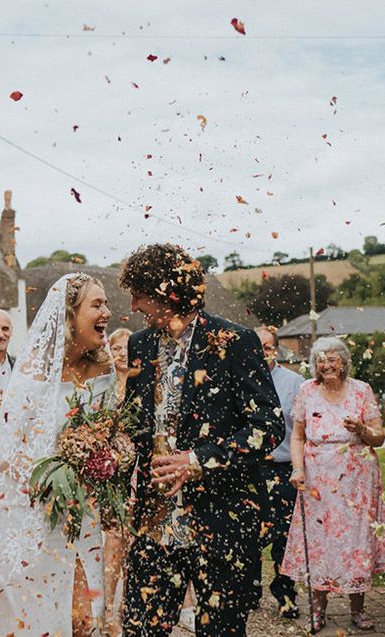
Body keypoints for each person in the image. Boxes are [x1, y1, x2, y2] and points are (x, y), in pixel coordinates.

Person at [119, 243, 283, 637]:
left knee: (222, 631)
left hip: (221, 516)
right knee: (140, 628)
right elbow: (136, 422)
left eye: (140, 295)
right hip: (154, 520)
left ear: (166, 293)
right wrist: (121, 446)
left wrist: (199, 460)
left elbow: (268, 425)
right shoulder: (139, 344)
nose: (134, 305)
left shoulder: (235, 341)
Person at [0, 273, 116, 637]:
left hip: (86, 511)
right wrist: (52, 479)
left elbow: (109, 430)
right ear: (70, 314)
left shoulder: (105, 367)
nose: (107, 312)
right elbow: (5, 453)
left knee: (84, 617)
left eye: (106, 303)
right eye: (97, 305)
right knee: (38, 614)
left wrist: (108, 455)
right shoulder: (33, 373)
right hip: (35, 513)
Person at [281, 337, 385, 633]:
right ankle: (317, 612)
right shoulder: (306, 391)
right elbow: (298, 436)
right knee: (319, 541)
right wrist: (298, 468)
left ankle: (358, 610)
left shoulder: (362, 390)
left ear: (344, 362)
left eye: (332, 359)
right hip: (318, 480)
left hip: (357, 480)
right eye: (320, 360)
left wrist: (362, 428)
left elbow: (379, 437)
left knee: (356, 540)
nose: (326, 365)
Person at [255, 326, 303, 619]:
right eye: (255, 347)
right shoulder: (239, 380)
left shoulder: (295, 383)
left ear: (275, 349)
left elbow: (301, 430)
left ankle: (285, 594)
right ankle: (250, 589)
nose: (261, 353)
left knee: (284, 536)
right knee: (252, 532)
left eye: (265, 347)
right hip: (251, 470)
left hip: (284, 468)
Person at [108, 327, 132, 397]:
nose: (123, 353)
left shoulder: (147, 380)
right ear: (109, 352)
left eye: (128, 348)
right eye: (116, 349)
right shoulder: (103, 382)